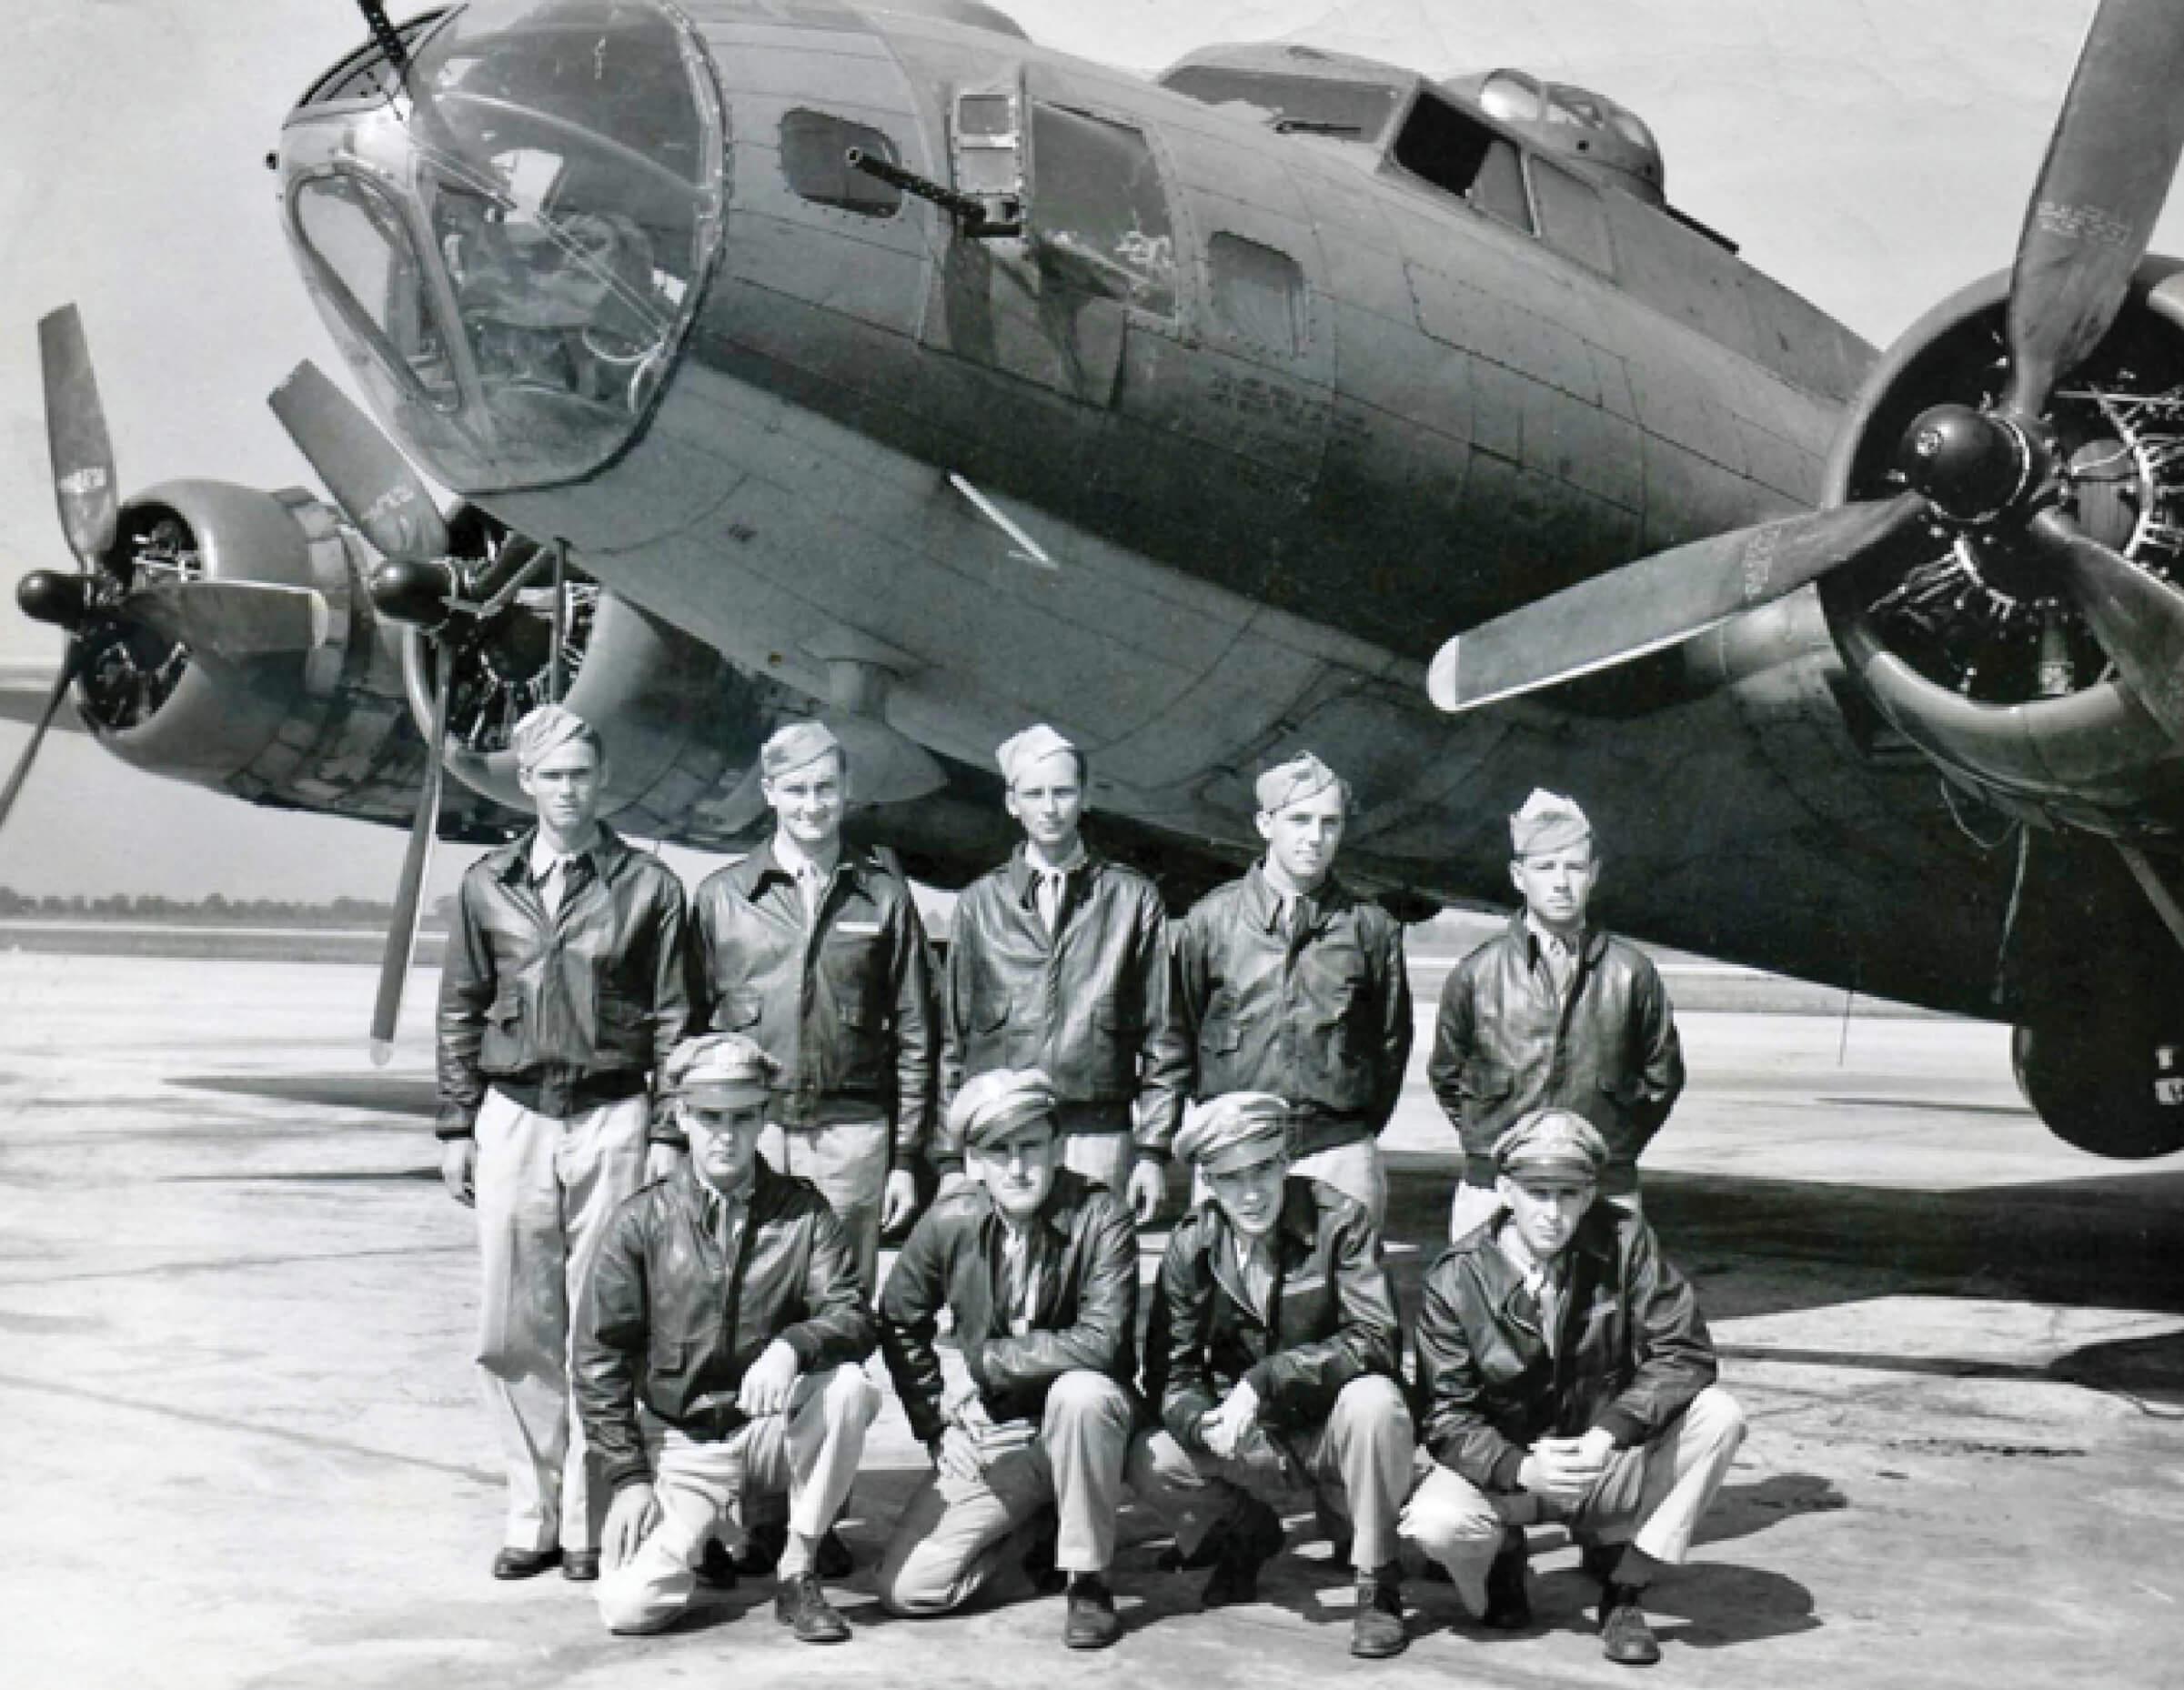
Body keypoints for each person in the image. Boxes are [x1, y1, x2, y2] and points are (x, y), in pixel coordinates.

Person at [436, 702, 690, 1584]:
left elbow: (673, 1019)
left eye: (582, 772)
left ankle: (590, 1517)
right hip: (514, 1115)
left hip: (613, 1113)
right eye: (552, 774)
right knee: (511, 1324)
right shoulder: (485, 883)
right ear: (527, 782)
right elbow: (461, 1005)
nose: (569, 789)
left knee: (602, 1320)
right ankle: (530, 1509)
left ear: (600, 777)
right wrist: (455, 1122)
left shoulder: (650, 886)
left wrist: (667, 1131)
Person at [1399, 1109, 1745, 1666]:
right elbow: (1444, 1415)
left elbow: (1684, 1353)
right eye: (1537, 1192)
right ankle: (1501, 1562)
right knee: (1437, 1524)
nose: (1553, 1213)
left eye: (1569, 1193)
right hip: (1506, 1470)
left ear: (1589, 1196)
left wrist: (1608, 1435)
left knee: (1719, 1416)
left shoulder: (1625, 1242)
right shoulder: (1455, 1277)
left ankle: (1624, 1589)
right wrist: (1519, 1468)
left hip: (1597, 1459)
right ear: (1506, 1190)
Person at [576, 1033, 881, 1643]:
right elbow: (598, 1359)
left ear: (764, 1119)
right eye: (709, 1117)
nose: (726, 1135)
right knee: (627, 1609)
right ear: (681, 1117)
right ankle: (706, 1534)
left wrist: (791, 1345)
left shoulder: (802, 1214)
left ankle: (799, 1564)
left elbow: (850, 1314)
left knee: (847, 1389)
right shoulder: (640, 1221)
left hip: (764, 1428)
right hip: (682, 1441)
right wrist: (630, 1478)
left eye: (743, 1118)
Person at [1128, 1092, 1415, 1660]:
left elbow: (1376, 1340)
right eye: (1232, 1178)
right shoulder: (1193, 1243)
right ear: (1208, 1181)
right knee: (1150, 1457)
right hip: (1253, 1440)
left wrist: (1264, 1381)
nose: (1252, 1192)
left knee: (1377, 1400)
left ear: (1286, 1161)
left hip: (1336, 1432)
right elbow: (1170, 1373)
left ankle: (1377, 1581)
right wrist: (1203, 1425)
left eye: (1263, 1169)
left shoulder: (1342, 1222)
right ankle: (1248, 1531)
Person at [874, 1069, 1140, 1649]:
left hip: (1090, 1426)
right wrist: (936, 1426)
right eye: (998, 1151)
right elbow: (898, 1318)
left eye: (1031, 1147)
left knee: (1082, 1394)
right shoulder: (950, 1220)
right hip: (1001, 1429)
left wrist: (983, 1363)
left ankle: (1088, 1581)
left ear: (1059, 1147)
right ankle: (1033, 1540)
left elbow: (1102, 1341)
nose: (1017, 1168)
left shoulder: (1102, 1214)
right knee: (909, 1589)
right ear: (973, 1162)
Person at [688, 719, 937, 1295]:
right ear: (770, 793)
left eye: (825, 788)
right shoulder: (721, 898)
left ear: (845, 792)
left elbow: (916, 1033)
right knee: (740, 1296)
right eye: (796, 790)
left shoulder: (885, 897)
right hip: (752, 1132)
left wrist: (905, 1157)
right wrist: (681, 1138)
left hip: (852, 1139)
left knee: (843, 1305)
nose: (812, 804)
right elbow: (687, 1032)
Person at [1155, 752, 1412, 1225]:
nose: (1315, 837)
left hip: (1337, 1151)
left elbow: (1390, 1044)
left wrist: (1348, 1126)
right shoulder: (1210, 922)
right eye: (1299, 820)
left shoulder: (1370, 928)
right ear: (1265, 824)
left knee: (1346, 1291)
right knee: (1230, 1290)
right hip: (1235, 1153)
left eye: (1329, 823)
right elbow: (1175, 1033)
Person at [937, 724, 1179, 1222]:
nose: (1049, 807)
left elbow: (1165, 1037)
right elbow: (951, 1040)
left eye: (1063, 792)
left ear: (1085, 798)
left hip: (1096, 1136)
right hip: (1002, 1138)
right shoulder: (980, 904)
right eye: (1035, 793)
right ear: (1011, 802)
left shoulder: (1132, 900)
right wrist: (947, 1157)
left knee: (1096, 1280)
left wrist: (1153, 1151)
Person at [1428, 789, 1684, 1241]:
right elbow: (1448, 1075)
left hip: (1603, 1189)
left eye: (1575, 867)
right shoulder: (1476, 973)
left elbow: (1663, 1076)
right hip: (1496, 1188)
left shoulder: (1631, 973)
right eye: (1545, 867)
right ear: (1518, 876)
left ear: (1595, 874)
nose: (1561, 883)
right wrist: (1494, 1146)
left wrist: (1612, 1148)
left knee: (1607, 1308)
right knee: (1483, 1303)